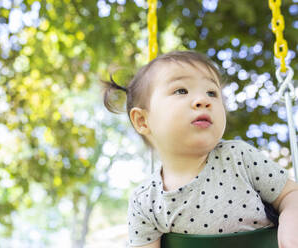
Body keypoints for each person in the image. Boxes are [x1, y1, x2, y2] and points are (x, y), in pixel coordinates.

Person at [101, 51, 298, 248]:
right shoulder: (145, 202)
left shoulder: (239, 157)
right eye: (181, 91)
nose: (203, 100)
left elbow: (290, 194)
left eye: (212, 92)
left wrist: (291, 223)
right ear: (142, 120)